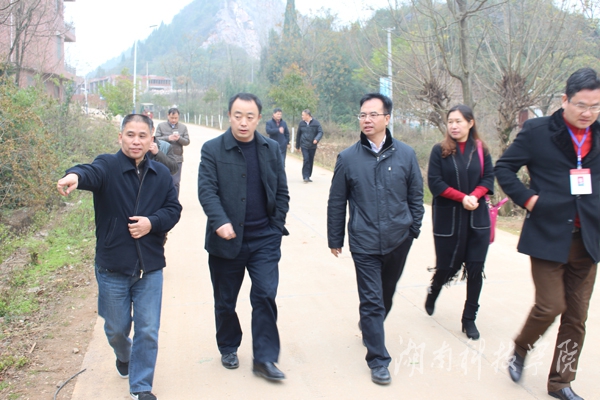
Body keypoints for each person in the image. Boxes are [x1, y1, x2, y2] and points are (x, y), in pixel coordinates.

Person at [56, 114, 182, 400]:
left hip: (150, 266)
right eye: (130, 135)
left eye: (142, 136)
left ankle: (141, 386)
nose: (136, 141)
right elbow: (88, 171)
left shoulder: (161, 174)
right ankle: (124, 355)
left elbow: (173, 210)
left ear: (152, 140)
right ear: (120, 137)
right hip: (113, 266)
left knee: (148, 330)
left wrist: (151, 223)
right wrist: (74, 176)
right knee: (116, 328)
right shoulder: (108, 166)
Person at [495, 67, 600, 400]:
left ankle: (560, 383)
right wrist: (529, 199)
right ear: (565, 99)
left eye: (595, 106)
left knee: (576, 317)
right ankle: (521, 347)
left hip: (588, 239)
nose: (588, 113)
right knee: (551, 305)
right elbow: (504, 168)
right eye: (581, 105)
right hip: (548, 234)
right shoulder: (537, 131)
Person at [327, 93, 424, 385]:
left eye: (373, 114)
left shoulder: (406, 154)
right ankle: (378, 360)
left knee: (385, 296)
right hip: (364, 241)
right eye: (362, 115)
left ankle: (370, 326)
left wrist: (413, 230)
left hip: (399, 239)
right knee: (371, 301)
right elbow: (337, 201)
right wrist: (335, 238)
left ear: (387, 118)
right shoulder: (348, 158)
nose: (367, 120)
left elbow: (416, 196)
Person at [198, 93, 290, 381]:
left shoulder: (271, 148)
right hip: (226, 240)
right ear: (229, 116)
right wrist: (220, 221)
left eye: (250, 117)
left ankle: (264, 359)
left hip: (264, 238)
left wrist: (276, 227)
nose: (243, 122)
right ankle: (228, 345)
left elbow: (282, 191)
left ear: (258, 119)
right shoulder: (212, 149)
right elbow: (207, 191)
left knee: (265, 295)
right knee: (226, 301)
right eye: (238, 115)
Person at [425, 104, 494, 341]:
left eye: (459, 121)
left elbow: (488, 178)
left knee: (475, 268)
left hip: (477, 218)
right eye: (450, 122)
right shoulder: (440, 150)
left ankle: (469, 318)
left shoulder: (481, 149)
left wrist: (474, 195)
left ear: (470, 123)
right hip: (450, 218)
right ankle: (434, 289)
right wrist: (462, 198)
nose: (454, 126)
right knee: (448, 266)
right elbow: (435, 183)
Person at [155, 107, 190, 196]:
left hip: (177, 159)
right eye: (172, 118)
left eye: (176, 118)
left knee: (175, 182)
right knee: (161, 181)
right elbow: (156, 139)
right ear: (168, 116)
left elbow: (187, 141)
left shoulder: (183, 127)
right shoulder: (161, 126)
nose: (174, 120)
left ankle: (174, 201)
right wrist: (168, 138)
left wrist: (179, 139)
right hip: (162, 158)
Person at [295, 109, 323, 182]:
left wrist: (316, 139)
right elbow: (298, 135)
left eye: (303, 115)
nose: (302, 116)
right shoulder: (301, 123)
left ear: (308, 115)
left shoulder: (316, 123)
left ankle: (308, 175)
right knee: (306, 159)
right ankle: (305, 176)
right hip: (304, 145)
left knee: (310, 160)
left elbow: (320, 132)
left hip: (312, 145)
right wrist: (297, 146)